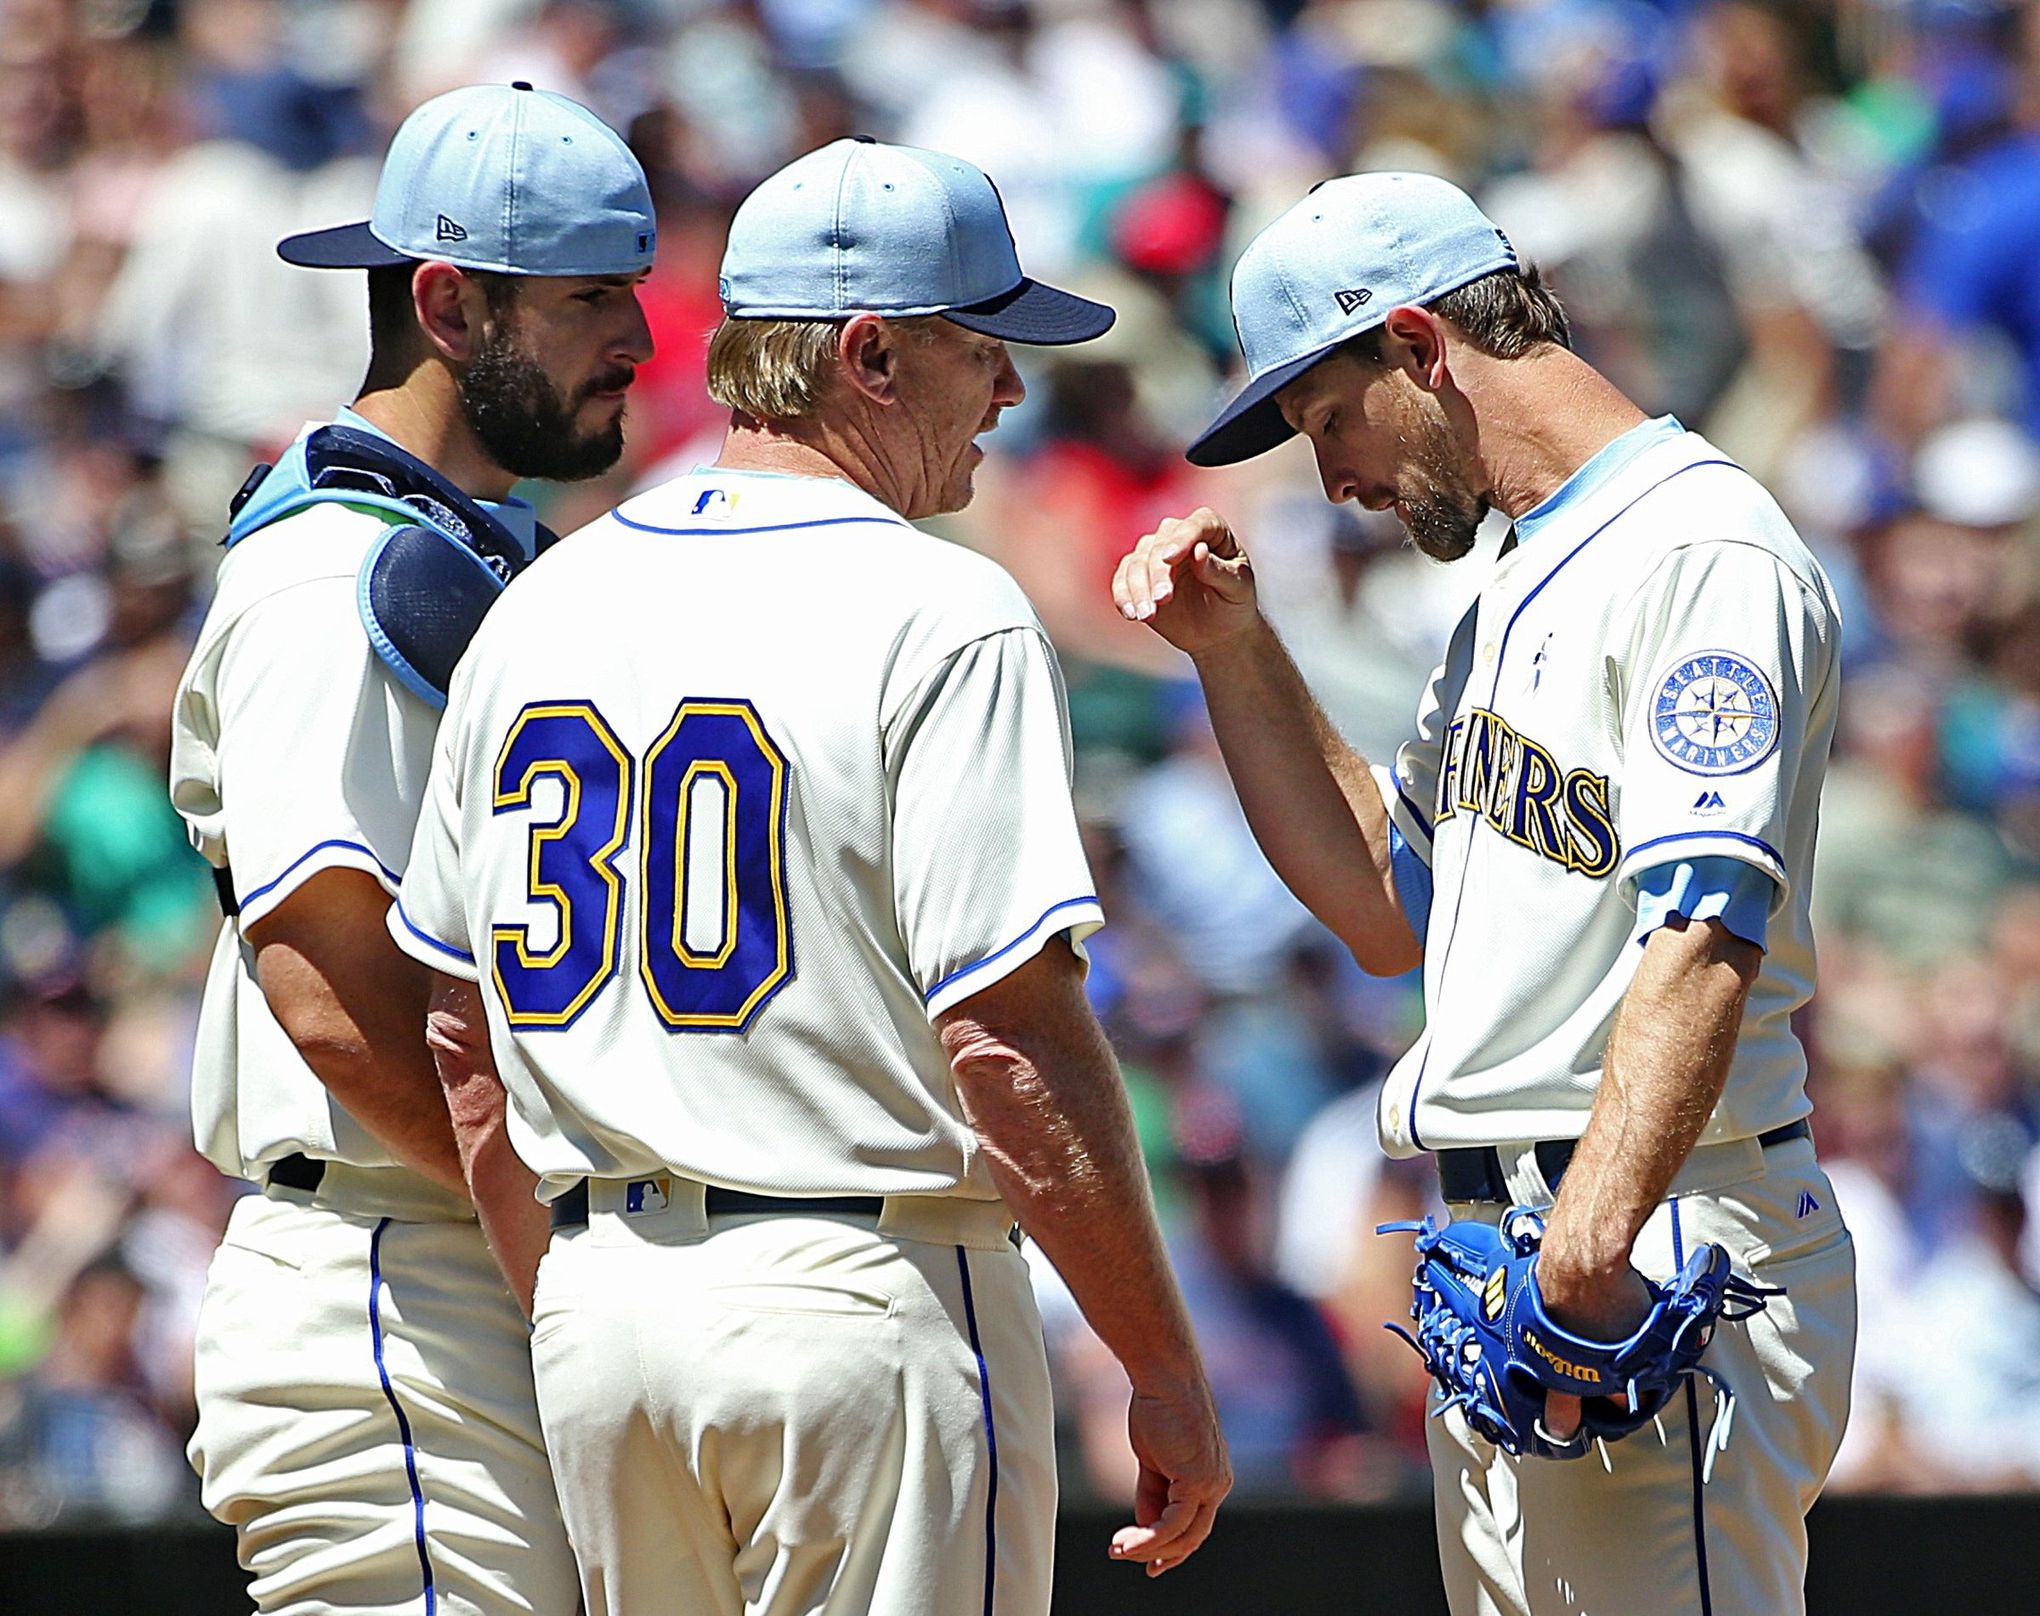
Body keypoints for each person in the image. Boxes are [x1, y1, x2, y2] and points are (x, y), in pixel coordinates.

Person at [387, 136, 1231, 1615]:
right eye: (985, 349)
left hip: (601, 1316)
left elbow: (463, 1042)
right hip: (861, 1299)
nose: (1014, 393)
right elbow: (1009, 1040)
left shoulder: (542, 600)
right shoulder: (943, 609)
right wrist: (1161, 1367)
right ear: (871, 358)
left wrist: (586, 1307)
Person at [1112, 170, 1855, 1614]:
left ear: (1417, 345)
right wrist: (1236, 655)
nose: (1331, 475)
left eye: (1330, 416)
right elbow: (1395, 906)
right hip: (1510, 1248)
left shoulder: (1698, 549)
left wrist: (1585, 1258)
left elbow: (1706, 933)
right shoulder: (1517, 574)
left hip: (1650, 1239)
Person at [166, 82, 655, 1614]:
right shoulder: (330, 570)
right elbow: (329, 989)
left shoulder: (469, 548)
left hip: (466, 1266)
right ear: (447, 303)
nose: (636, 339)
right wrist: (553, 1248)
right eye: (589, 300)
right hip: (399, 1281)